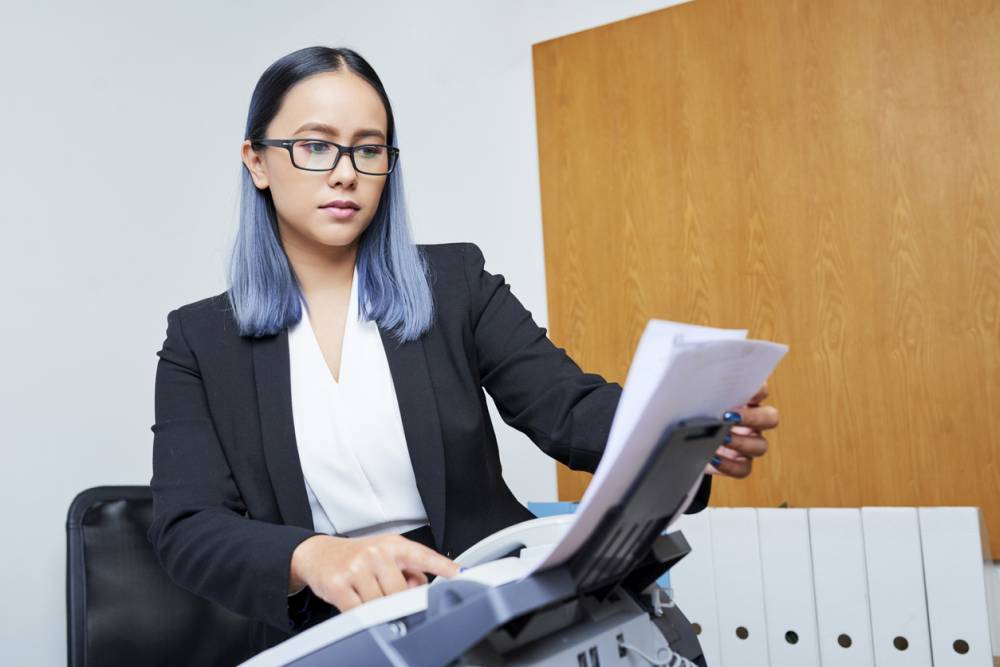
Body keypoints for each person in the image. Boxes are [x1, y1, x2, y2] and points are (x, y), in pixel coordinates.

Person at [147, 45, 779, 658]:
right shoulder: (200, 341)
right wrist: (312, 556)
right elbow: (186, 527)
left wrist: (689, 431)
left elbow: (569, 409)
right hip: (327, 628)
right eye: (315, 146)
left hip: (482, 601)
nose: (346, 171)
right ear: (257, 161)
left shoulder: (455, 287)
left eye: (368, 149)